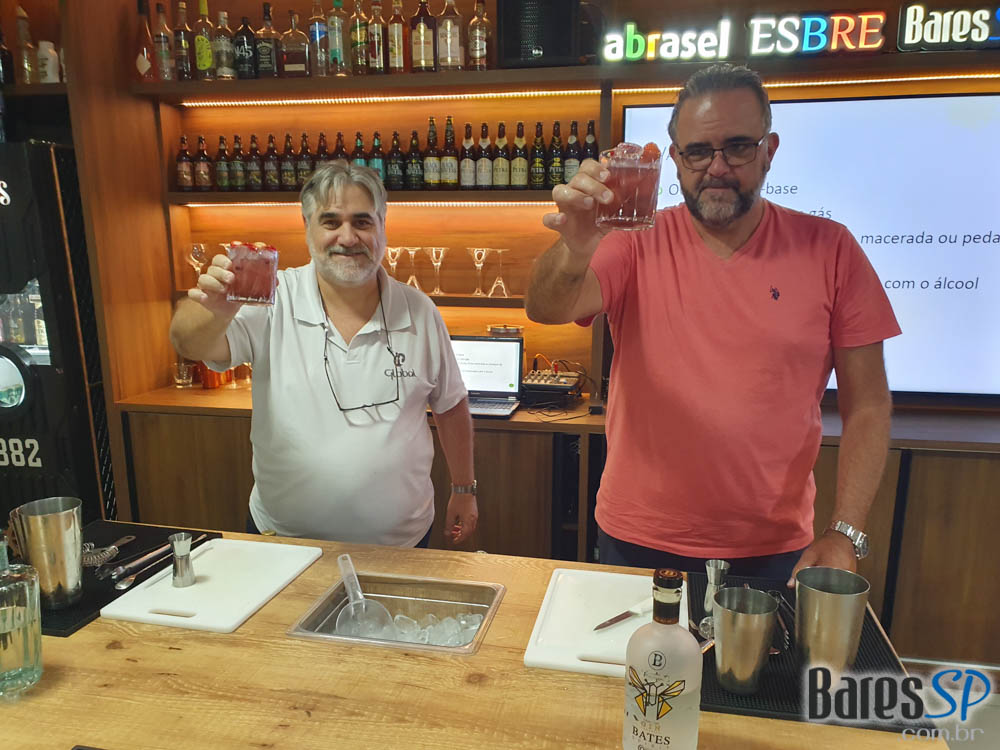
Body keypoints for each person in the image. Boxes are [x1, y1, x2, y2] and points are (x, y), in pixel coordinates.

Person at [526, 64, 900, 585]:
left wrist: (846, 531)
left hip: (774, 552)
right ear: (676, 158)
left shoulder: (831, 248)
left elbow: (870, 404)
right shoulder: (633, 240)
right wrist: (575, 246)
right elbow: (546, 307)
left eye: (738, 147)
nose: (717, 167)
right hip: (637, 542)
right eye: (699, 151)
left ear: (769, 150)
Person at [170, 162, 478, 548]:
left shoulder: (419, 310)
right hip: (284, 542)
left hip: (403, 544)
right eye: (330, 221)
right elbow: (188, 342)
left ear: (382, 227)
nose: (347, 237)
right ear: (307, 227)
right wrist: (214, 309)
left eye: (362, 222)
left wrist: (464, 488)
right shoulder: (271, 297)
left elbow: (451, 405)